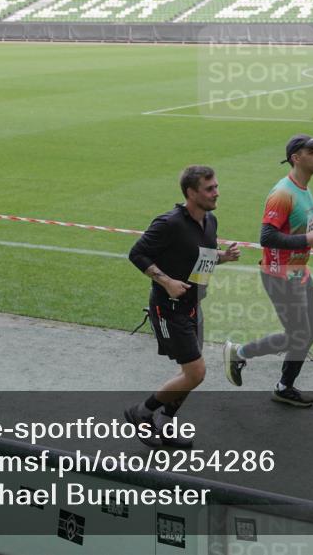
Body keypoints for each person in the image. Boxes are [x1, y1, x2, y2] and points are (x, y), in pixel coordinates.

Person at [125, 165, 240, 448]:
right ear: (191, 193)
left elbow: (200, 257)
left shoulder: (209, 221)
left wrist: (223, 257)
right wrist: (166, 282)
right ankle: (141, 413)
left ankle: (165, 420)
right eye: (209, 188)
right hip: (169, 307)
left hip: (193, 306)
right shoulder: (169, 223)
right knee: (196, 372)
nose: (217, 193)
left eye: (216, 187)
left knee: (191, 374)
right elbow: (137, 253)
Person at [224, 135, 313, 407]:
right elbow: (267, 237)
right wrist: (305, 240)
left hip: (299, 272)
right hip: (279, 275)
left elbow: (301, 233)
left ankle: (284, 386)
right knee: (298, 334)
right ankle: (240, 354)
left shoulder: (303, 188)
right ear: (295, 158)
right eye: (312, 151)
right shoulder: (282, 194)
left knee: (308, 333)